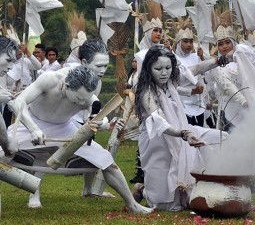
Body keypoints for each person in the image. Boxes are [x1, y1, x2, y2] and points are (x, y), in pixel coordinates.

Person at [5, 66, 152, 213]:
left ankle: (132, 205)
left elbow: (101, 118)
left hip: (65, 129)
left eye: (85, 100)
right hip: (30, 124)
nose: (81, 103)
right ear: (66, 86)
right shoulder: (49, 79)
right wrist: (33, 128)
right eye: (78, 99)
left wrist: (101, 122)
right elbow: (18, 103)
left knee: (106, 161)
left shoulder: (88, 97)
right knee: (1, 153)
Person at [134, 46, 228, 211]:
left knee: (221, 138)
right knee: (165, 203)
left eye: (168, 68)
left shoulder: (171, 80)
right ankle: (142, 190)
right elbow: (160, 122)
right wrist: (183, 134)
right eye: (158, 69)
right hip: (158, 140)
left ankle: (215, 183)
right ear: (148, 69)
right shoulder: (146, 92)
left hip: (183, 131)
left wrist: (220, 60)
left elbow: (196, 69)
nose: (164, 73)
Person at [174, 28, 207, 127]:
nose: (189, 44)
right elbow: (172, 85)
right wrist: (192, 91)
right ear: (179, 43)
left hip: (198, 102)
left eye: (191, 41)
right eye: (185, 41)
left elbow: (206, 76)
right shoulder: (174, 59)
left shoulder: (196, 57)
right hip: (182, 104)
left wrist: (202, 58)